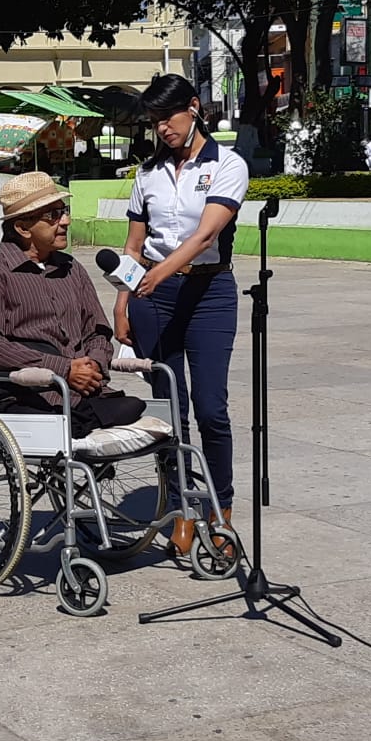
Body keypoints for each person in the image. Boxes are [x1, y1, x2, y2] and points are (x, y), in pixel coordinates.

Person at [112, 74, 248, 557]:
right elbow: (133, 246)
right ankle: (181, 509)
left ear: (194, 108)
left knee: (211, 409)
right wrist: (124, 298)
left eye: (168, 118)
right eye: (154, 122)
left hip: (208, 292)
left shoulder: (227, 165)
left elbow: (206, 237)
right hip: (154, 298)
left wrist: (158, 273)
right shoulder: (146, 175)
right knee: (171, 411)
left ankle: (220, 511)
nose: (162, 129)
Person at [0, 171, 144, 437]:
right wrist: (63, 369)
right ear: (23, 227)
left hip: (83, 392)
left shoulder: (72, 269)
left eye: (64, 211)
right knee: (94, 416)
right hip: (28, 394)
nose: (66, 221)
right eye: (53, 216)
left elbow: (97, 331)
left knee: (136, 407)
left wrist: (93, 365)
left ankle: (83, 418)